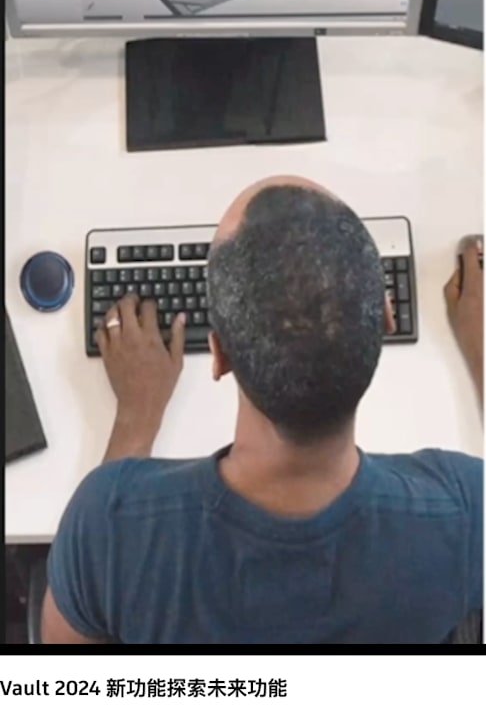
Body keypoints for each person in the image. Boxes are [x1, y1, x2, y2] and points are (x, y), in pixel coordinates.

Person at [41, 176, 483, 645]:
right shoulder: (465, 510)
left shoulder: (108, 524)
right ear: (387, 321)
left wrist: (137, 413)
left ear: (219, 355)